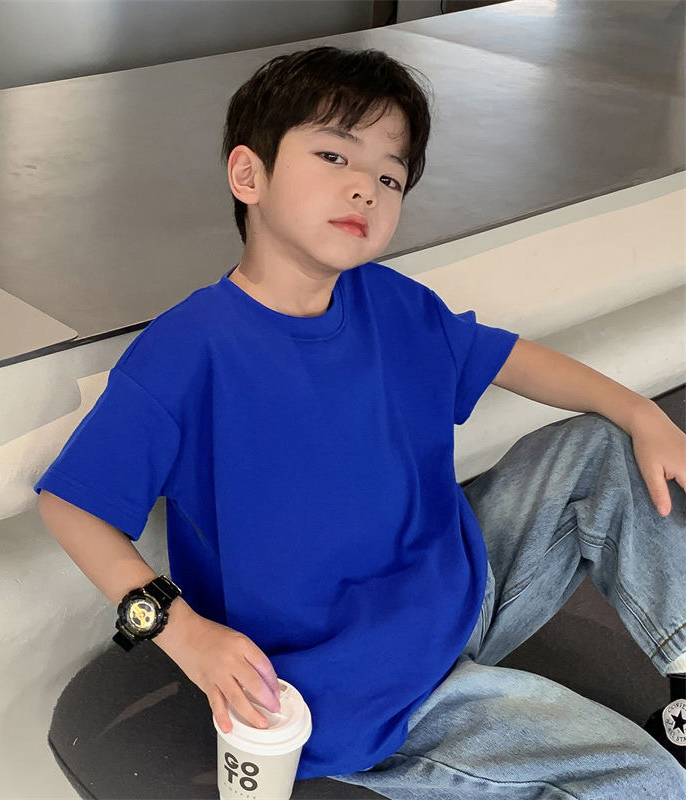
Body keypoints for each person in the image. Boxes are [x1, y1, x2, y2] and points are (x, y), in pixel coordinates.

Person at [35, 46, 686, 797]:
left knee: (602, 444)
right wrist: (181, 632)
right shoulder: (190, 350)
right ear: (249, 175)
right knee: (647, 781)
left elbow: (505, 356)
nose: (364, 188)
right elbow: (71, 503)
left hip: (458, 591)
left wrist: (640, 411)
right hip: (361, 696)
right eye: (333, 155)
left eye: (389, 176)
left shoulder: (391, 301)